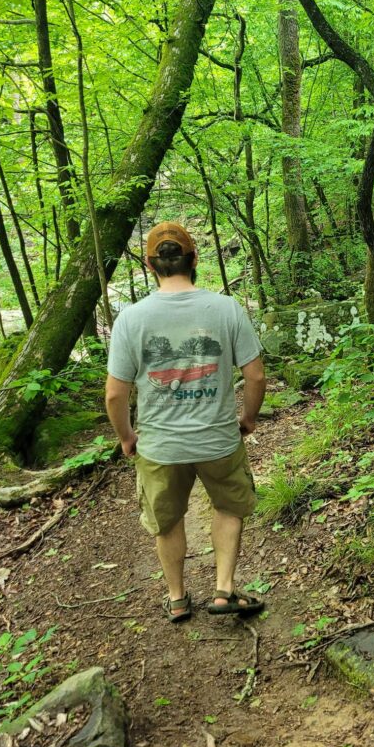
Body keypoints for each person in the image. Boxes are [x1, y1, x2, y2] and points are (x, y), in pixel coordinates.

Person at [105, 221, 267, 623]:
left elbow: (115, 393)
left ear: (149, 264)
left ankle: (178, 597)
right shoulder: (226, 308)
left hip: (160, 446)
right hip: (218, 440)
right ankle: (223, 590)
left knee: (167, 520)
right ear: (195, 259)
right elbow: (257, 376)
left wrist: (126, 437)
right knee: (229, 507)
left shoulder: (131, 318)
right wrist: (246, 418)